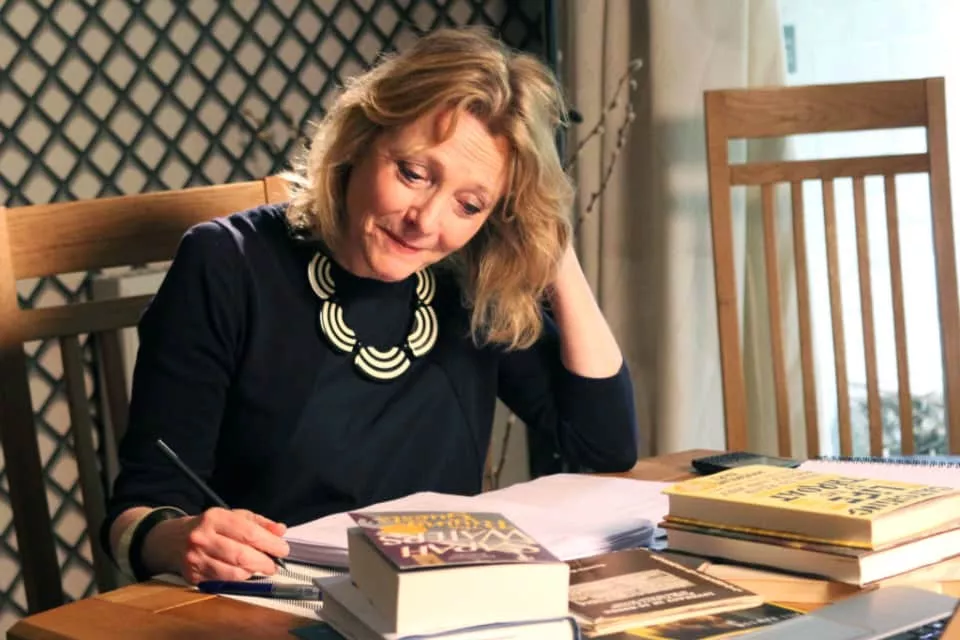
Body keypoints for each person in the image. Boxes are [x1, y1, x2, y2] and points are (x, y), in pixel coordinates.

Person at [102, 26, 638, 586]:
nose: (426, 222)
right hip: (271, 604)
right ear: (359, 139)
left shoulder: (466, 280)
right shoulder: (226, 263)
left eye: (469, 204)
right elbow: (139, 508)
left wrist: (550, 240)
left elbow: (603, 444)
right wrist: (176, 538)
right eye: (413, 174)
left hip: (437, 605)